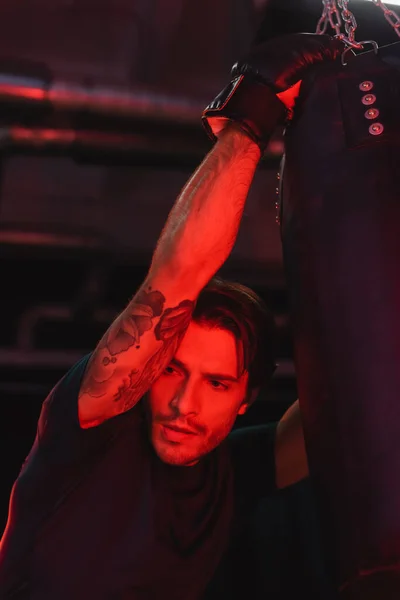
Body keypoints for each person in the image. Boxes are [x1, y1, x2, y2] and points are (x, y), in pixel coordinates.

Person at [0, 33, 343, 599]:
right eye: (170, 371)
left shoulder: (233, 472)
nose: (185, 404)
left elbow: (358, 401)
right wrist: (251, 120)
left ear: (246, 399)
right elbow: (176, 279)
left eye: (217, 383)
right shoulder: (92, 434)